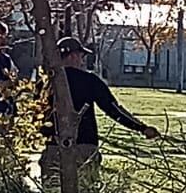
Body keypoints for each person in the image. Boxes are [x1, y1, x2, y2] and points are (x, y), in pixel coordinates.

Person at [40, 36, 159, 183]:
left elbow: (37, 115)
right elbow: (113, 109)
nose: (82, 61)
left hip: (53, 147)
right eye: (81, 56)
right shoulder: (89, 80)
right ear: (73, 56)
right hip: (84, 147)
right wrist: (141, 128)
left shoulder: (45, 83)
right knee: (86, 192)